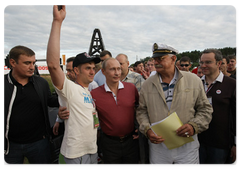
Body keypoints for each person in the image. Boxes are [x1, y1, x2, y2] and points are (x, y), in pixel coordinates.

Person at [136, 43, 213, 165]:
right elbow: (142, 111)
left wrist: (194, 126)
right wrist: (147, 130)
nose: (156, 62)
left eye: (160, 59)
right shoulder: (147, 84)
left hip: (187, 144)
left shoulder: (193, 80)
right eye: (154, 59)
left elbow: (205, 109)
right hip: (159, 146)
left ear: (173, 59)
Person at [46, 3, 101, 165]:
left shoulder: (89, 90)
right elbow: (53, 65)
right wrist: (57, 21)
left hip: (92, 150)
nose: (92, 71)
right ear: (76, 71)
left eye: (93, 68)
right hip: (75, 153)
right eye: (87, 68)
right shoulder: (68, 88)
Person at [2, 45, 59, 164]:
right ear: (13, 62)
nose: (32, 67)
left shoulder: (41, 83)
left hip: (39, 143)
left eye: (33, 62)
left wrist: (69, 98)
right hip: (10, 145)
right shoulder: (2, 85)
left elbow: (50, 100)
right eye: (27, 63)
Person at [91, 58, 139, 164]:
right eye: (112, 69)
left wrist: (140, 128)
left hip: (131, 141)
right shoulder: (95, 94)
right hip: (109, 144)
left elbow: (140, 109)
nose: (117, 73)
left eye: (118, 69)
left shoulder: (131, 88)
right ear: (103, 72)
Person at [198, 49, 237, 165]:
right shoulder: (196, 83)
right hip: (198, 141)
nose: (203, 66)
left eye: (208, 62)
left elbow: (236, 116)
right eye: (201, 62)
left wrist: (236, 144)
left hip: (221, 144)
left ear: (219, 63)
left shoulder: (232, 84)